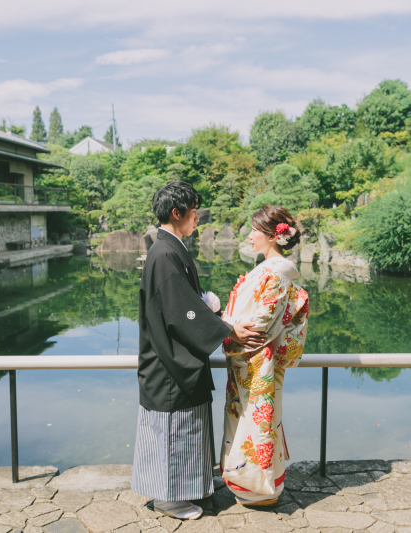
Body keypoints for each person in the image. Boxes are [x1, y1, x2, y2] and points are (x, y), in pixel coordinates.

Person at [131, 180, 266, 520]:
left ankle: (188, 488)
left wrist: (216, 316)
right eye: (194, 213)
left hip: (175, 357)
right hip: (169, 365)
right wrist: (227, 328)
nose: (197, 220)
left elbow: (186, 306)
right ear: (176, 213)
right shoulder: (163, 254)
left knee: (183, 430)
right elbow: (181, 313)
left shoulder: (169, 248)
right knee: (174, 431)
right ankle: (168, 499)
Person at [220, 205, 310, 506]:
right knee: (248, 421)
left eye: (254, 230)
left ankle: (259, 489)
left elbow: (259, 325)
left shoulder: (277, 273)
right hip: (251, 362)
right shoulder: (269, 270)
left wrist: (225, 326)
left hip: (258, 362)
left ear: (273, 236)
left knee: (257, 423)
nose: (249, 236)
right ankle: (250, 485)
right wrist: (227, 322)